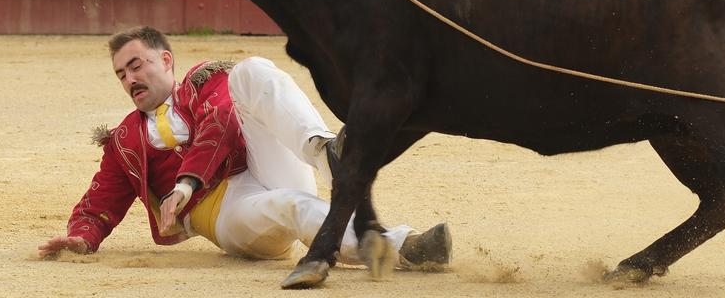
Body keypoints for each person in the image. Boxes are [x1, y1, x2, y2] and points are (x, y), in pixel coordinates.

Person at [38, 26, 452, 276]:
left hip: (260, 163)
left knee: (252, 70)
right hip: (224, 212)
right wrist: (80, 238)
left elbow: (221, 121)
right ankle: (404, 248)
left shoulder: (203, 82)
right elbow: (98, 205)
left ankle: (325, 152)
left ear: (165, 60)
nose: (130, 78)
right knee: (296, 206)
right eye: (121, 74)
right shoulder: (125, 140)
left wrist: (184, 181)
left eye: (136, 65)